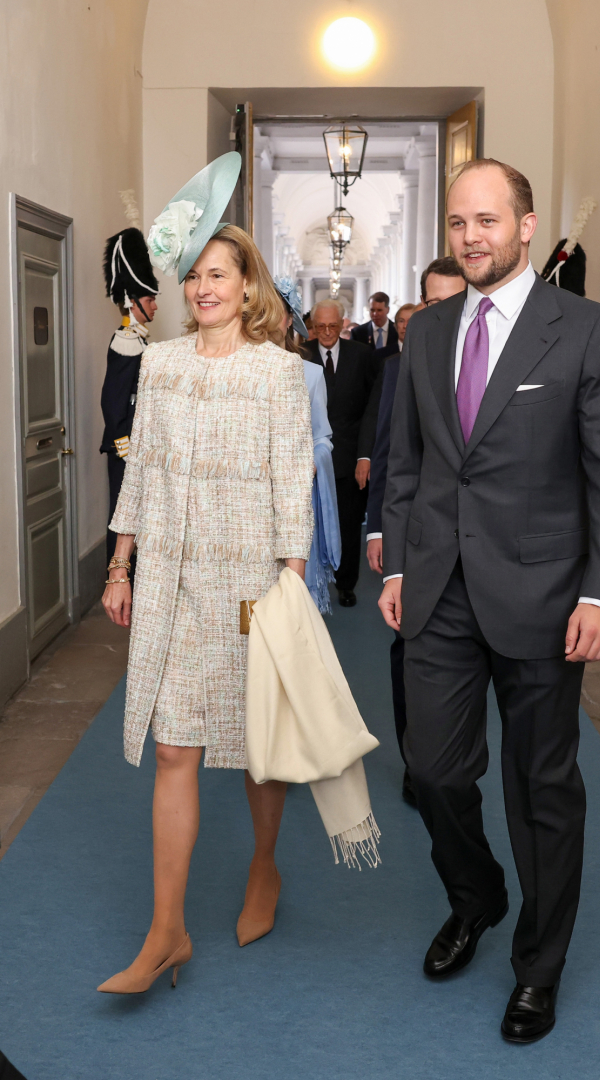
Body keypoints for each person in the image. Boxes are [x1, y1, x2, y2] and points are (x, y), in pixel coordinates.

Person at [379, 158, 600, 1043]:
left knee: (542, 789)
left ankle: (539, 966)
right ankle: (478, 896)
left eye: (487, 220)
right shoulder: (426, 333)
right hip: (440, 592)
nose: (471, 237)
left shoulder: (587, 331)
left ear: (527, 227)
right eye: (459, 222)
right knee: (432, 769)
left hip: (545, 596)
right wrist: (397, 568)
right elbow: (411, 462)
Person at [98, 152, 315, 994]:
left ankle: (265, 865)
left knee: (259, 745)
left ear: (246, 283)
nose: (202, 289)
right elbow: (142, 472)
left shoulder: (278, 371)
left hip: (252, 584)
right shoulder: (162, 364)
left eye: (217, 274)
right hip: (173, 583)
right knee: (173, 747)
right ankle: (167, 931)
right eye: (192, 277)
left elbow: (292, 478)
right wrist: (121, 565)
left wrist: (292, 581)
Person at [367, 261, 466, 805]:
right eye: (432, 303)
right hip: (421, 540)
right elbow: (391, 453)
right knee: (408, 653)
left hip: (487, 550)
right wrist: (378, 530)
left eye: (454, 300)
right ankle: (416, 760)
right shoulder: (401, 366)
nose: (442, 312)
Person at [307, 299, 381, 607]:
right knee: (310, 526)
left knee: (349, 524)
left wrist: (365, 456)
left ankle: (346, 583)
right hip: (310, 459)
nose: (327, 332)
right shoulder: (299, 354)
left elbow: (372, 409)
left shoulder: (362, 355)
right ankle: (311, 583)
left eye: (333, 326)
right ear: (313, 327)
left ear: (342, 324)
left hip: (351, 459)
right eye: (320, 326)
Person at [274, 276, 341, 613]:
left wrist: (312, 461)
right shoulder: (232, 369)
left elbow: (321, 436)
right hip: (244, 499)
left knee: (291, 602)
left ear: (290, 320)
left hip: (293, 499)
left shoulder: (310, 374)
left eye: (275, 311)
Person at [100, 225, 159, 568]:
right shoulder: (125, 340)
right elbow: (113, 400)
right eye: (150, 300)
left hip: (137, 445)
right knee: (122, 516)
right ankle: (117, 577)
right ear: (132, 302)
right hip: (126, 446)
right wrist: (125, 444)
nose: (155, 306)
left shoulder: (138, 339)